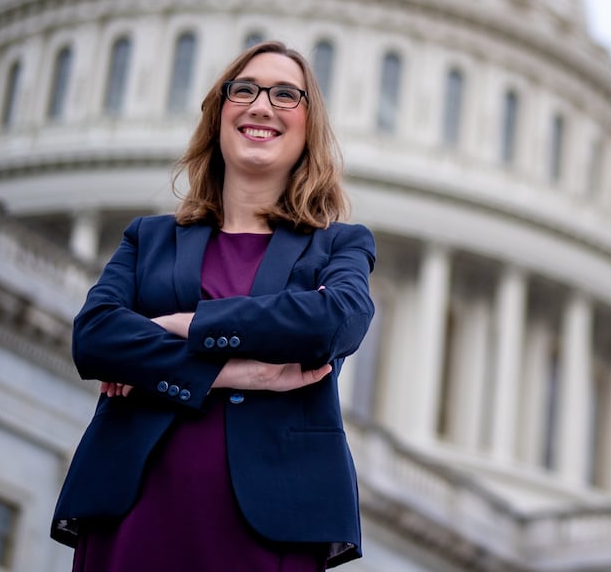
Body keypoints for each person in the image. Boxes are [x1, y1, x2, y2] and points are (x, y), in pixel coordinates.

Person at [51, 40, 376, 569]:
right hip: (136, 508)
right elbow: (95, 338)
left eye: (286, 95)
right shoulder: (149, 239)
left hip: (270, 526)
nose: (261, 105)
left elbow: (335, 323)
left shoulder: (339, 245)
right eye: (243, 89)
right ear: (218, 114)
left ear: (309, 127)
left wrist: (189, 323)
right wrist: (236, 373)